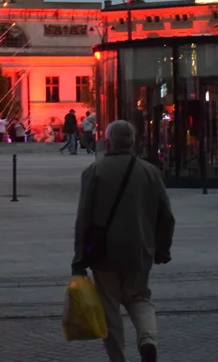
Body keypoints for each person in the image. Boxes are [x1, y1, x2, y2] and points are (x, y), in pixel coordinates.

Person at [72, 119, 175, 362]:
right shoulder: (150, 171)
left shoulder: (94, 172)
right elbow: (167, 216)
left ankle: (118, 359)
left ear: (108, 142)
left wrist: (79, 260)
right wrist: (163, 249)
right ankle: (147, 340)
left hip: (104, 253)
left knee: (109, 309)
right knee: (140, 298)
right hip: (140, 250)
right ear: (134, 142)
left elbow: (83, 219)